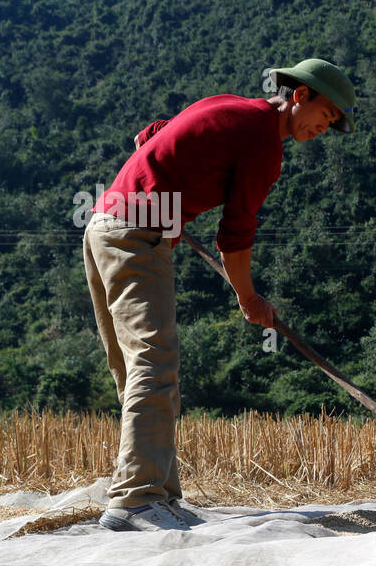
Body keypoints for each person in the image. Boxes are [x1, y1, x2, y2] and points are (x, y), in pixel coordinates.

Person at [82, 58, 358, 531]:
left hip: (107, 225)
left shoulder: (231, 107)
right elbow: (234, 235)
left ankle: (159, 495)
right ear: (299, 96)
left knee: (138, 369)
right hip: (136, 235)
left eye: (331, 124)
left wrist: (172, 189)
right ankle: (135, 501)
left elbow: (151, 136)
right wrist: (249, 299)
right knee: (153, 360)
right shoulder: (262, 143)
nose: (322, 128)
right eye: (325, 114)